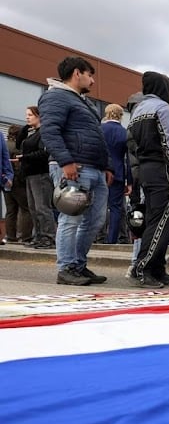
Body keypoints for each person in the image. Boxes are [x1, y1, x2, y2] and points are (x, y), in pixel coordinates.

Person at [38, 56, 112, 286]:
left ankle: (78, 265)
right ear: (77, 73)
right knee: (71, 219)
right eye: (90, 75)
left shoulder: (83, 102)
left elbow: (97, 136)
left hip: (94, 168)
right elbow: (50, 131)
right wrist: (65, 161)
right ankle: (66, 268)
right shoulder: (55, 96)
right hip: (74, 168)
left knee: (96, 221)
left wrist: (107, 166)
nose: (92, 81)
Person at [126, 71, 169, 288]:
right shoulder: (163, 109)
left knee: (154, 219)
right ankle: (144, 268)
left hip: (145, 168)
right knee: (161, 222)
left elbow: (131, 144)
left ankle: (156, 268)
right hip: (162, 170)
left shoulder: (138, 110)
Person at [18, 107, 55, 249]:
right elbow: (19, 143)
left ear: (39, 116)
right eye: (26, 115)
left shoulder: (43, 133)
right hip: (30, 174)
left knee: (42, 207)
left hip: (40, 173)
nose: (27, 117)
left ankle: (48, 236)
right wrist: (24, 128)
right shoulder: (31, 133)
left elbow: (44, 153)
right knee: (33, 208)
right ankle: (39, 236)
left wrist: (25, 157)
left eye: (30, 115)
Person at [100, 104, 128, 244]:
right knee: (116, 208)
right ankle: (112, 239)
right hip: (118, 172)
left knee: (98, 205)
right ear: (121, 115)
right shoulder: (124, 132)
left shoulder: (99, 129)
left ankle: (97, 236)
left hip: (100, 169)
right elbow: (129, 158)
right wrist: (129, 181)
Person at [4, 125, 31, 245]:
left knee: (10, 210)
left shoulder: (4, 145)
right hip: (17, 180)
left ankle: (11, 236)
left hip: (5, 181)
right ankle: (26, 237)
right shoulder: (18, 147)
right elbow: (19, 166)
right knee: (26, 208)